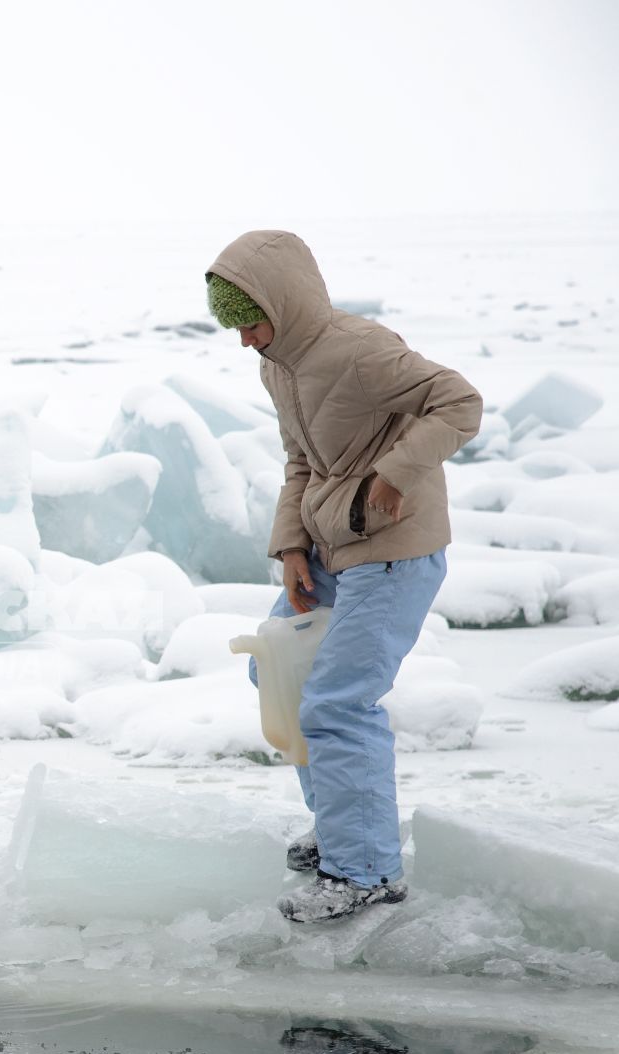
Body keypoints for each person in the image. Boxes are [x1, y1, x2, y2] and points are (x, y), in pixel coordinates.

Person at [206, 230, 479, 923]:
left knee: (336, 701)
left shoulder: (359, 351)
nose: (243, 341)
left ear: (281, 302)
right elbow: (302, 460)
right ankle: (341, 824)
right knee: (278, 673)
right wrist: (291, 546)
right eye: (233, 329)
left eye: (249, 322)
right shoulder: (277, 366)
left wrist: (395, 471)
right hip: (330, 547)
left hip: (393, 550)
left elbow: (458, 403)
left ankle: (364, 873)